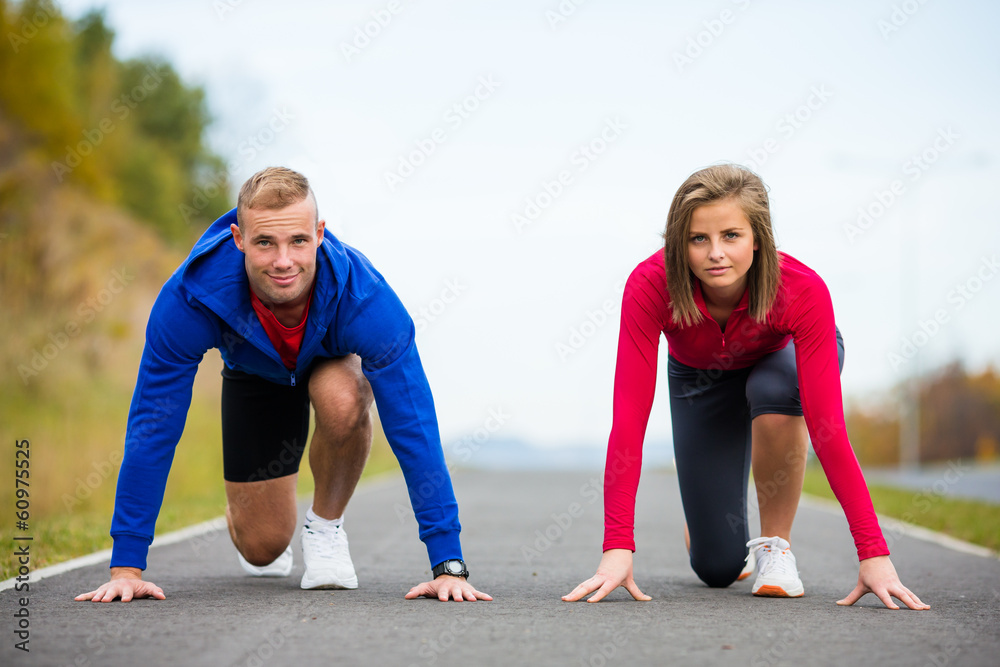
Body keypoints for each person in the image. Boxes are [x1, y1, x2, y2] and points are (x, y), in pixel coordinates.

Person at [76, 167, 491, 603]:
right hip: (253, 374)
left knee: (345, 397)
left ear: (319, 234)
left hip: (330, 364)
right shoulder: (190, 299)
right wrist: (126, 566)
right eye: (264, 243)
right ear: (238, 238)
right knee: (262, 548)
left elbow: (414, 424)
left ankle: (326, 528)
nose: (283, 261)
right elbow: (153, 425)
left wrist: (449, 565)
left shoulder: (367, 302)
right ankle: (246, 511)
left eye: (298, 241)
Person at [563, 164, 928, 610]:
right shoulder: (649, 284)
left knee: (775, 387)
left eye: (731, 236)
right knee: (716, 568)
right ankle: (712, 520)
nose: (716, 253)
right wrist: (617, 549)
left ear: (759, 238)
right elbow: (629, 422)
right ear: (679, 243)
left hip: (784, 361)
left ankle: (776, 548)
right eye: (699, 239)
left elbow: (828, 432)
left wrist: (874, 554)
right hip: (700, 378)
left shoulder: (802, 289)